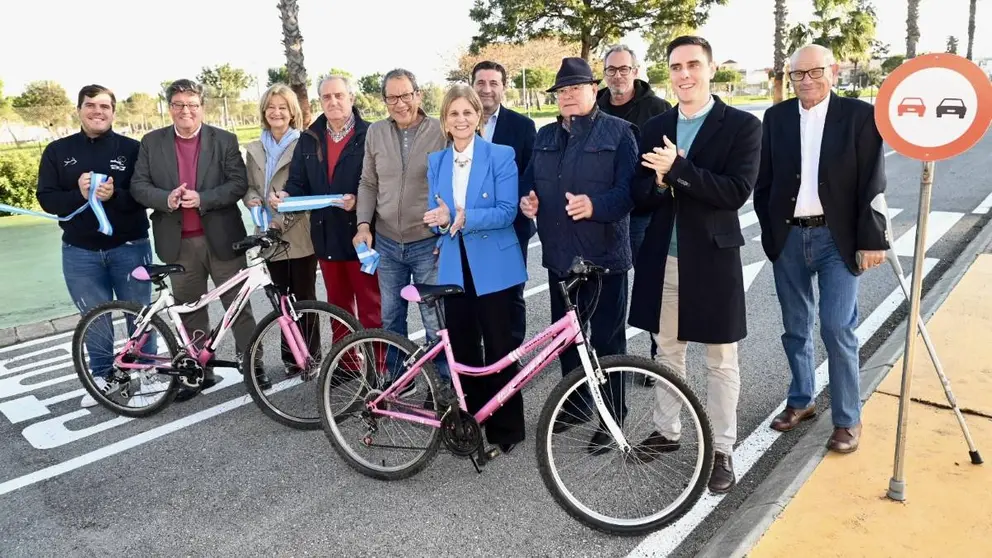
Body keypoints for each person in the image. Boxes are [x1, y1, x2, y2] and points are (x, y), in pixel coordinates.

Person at [627, 36, 761, 494]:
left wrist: (678, 169)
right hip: (663, 257)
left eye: (692, 65)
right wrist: (661, 183)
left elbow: (734, 192)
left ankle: (722, 449)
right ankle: (667, 432)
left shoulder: (742, 125)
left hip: (713, 258)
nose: (684, 74)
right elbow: (639, 194)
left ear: (710, 69)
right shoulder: (656, 125)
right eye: (676, 67)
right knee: (667, 350)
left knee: (721, 360)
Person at [755, 44, 889, 454]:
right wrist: (771, 231)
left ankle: (848, 418)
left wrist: (872, 238)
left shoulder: (859, 116)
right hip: (790, 238)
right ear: (789, 78)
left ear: (833, 71)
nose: (807, 81)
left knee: (836, 327)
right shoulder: (776, 118)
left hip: (838, 239)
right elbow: (765, 181)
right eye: (798, 75)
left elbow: (872, 182)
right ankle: (802, 400)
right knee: (795, 327)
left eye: (815, 72)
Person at [519, 57, 637, 455]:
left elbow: (630, 193)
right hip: (560, 259)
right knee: (568, 341)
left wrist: (596, 206)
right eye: (562, 90)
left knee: (607, 344)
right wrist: (528, 201)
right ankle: (577, 403)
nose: (568, 95)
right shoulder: (545, 135)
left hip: (604, 259)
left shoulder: (620, 133)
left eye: (575, 88)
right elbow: (529, 183)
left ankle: (612, 417)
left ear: (593, 90)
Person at [131, 79, 269, 399]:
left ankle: (252, 365)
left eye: (192, 105)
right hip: (178, 243)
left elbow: (237, 184)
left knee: (238, 307)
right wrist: (167, 198)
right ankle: (198, 371)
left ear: (202, 107)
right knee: (189, 309)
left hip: (221, 239)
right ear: (170, 109)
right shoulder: (151, 142)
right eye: (179, 105)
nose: (186, 111)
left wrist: (203, 198)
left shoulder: (223, 140)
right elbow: (139, 186)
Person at [423, 84, 528, 453]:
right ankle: (472, 423)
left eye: (467, 112)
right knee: (464, 349)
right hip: (454, 266)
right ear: (445, 122)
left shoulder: (500, 155)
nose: (462, 119)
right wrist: (439, 220)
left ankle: (507, 428)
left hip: (495, 265)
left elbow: (506, 211)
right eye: (454, 114)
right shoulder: (436, 161)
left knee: (501, 347)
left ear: (477, 116)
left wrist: (460, 217)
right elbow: (436, 217)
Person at [35, 84, 152, 408]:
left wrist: (115, 195)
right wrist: (77, 192)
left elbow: (144, 195)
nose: (97, 111)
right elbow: (46, 199)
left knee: (140, 314)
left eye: (104, 106)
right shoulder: (57, 151)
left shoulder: (132, 148)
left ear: (113, 112)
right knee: (95, 317)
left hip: (130, 247)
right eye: (91, 105)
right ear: (79, 110)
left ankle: (146, 370)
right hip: (80, 252)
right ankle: (104, 376)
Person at [353, 68, 448, 381]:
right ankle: (397, 379)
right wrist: (364, 225)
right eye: (392, 97)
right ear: (384, 101)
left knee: (434, 319)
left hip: (427, 242)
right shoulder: (376, 133)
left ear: (418, 95)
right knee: (391, 317)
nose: (400, 103)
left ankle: (443, 384)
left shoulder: (440, 130)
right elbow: (368, 182)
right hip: (388, 242)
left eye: (405, 95)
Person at [272, 75, 381, 330]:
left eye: (339, 95)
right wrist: (286, 196)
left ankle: (379, 367)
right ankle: (346, 368)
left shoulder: (370, 134)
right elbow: (297, 182)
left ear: (351, 98)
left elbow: (380, 183)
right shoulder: (309, 138)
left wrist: (359, 201)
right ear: (320, 101)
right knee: (338, 311)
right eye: (326, 97)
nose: (333, 102)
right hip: (325, 236)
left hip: (362, 237)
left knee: (371, 308)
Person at [596, 44, 673, 383]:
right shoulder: (592, 105)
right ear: (604, 73)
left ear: (636, 70)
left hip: (642, 214)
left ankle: (657, 360)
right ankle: (613, 361)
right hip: (604, 216)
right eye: (611, 70)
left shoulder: (657, 109)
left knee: (649, 288)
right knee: (610, 297)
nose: (618, 76)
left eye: (624, 69)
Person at [243, 82, 319, 376]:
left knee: (304, 299)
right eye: (271, 107)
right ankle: (291, 357)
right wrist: (250, 197)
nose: (276, 112)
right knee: (280, 300)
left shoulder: (304, 144)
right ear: (264, 111)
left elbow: (307, 190)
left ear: (292, 113)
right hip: (269, 236)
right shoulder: (255, 147)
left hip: (298, 233)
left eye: (282, 108)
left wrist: (281, 219)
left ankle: (311, 356)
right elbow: (251, 185)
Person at [471, 60, 537, 346]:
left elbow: (531, 171)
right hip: (470, 227)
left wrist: (515, 200)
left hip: (511, 227)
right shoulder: (457, 122)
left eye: (493, 83)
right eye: (481, 83)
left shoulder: (522, 126)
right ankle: (481, 356)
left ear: (503, 87)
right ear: (472, 85)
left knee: (511, 294)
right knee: (474, 294)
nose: (487, 90)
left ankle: (510, 355)